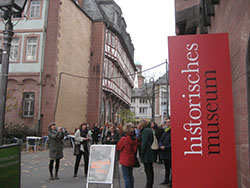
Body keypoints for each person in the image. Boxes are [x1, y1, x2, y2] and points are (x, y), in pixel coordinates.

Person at [117, 123, 139, 188]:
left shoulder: (124, 139)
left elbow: (118, 147)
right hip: (132, 158)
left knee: (126, 176)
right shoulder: (134, 138)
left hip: (125, 159)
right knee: (130, 175)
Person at [139, 120, 156, 188]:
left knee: (148, 169)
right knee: (150, 169)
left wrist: (141, 153)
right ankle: (149, 184)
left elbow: (144, 143)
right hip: (150, 151)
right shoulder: (149, 130)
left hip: (147, 153)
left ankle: (149, 185)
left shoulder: (145, 131)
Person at [159, 117, 172, 187]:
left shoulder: (172, 131)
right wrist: (160, 145)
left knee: (171, 168)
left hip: (169, 152)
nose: (168, 123)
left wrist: (166, 147)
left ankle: (171, 182)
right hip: (164, 152)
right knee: (166, 168)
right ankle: (166, 180)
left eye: (169, 122)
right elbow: (161, 139)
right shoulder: (165, 130)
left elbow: (173, 143)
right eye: (167, 122)